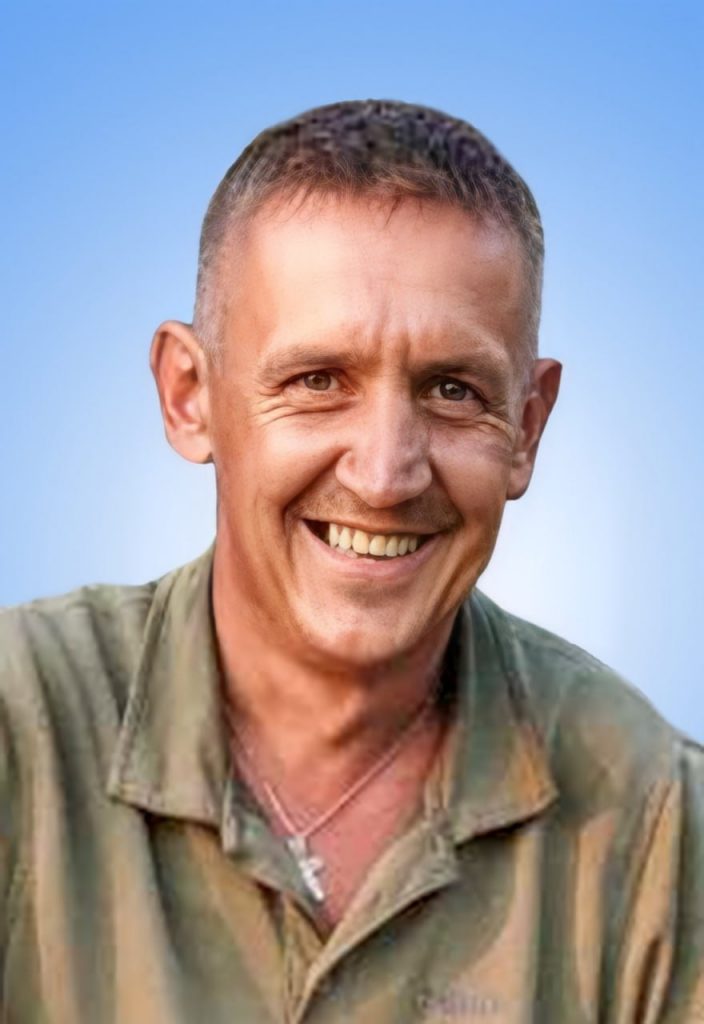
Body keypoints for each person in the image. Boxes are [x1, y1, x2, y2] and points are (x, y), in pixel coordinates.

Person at [1, 99, 702, 1023]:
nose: (384, 474)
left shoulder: (656, 825)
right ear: (189, 396)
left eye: (453, 391)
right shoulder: (22, 730)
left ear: (527, 429)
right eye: (318, 380)